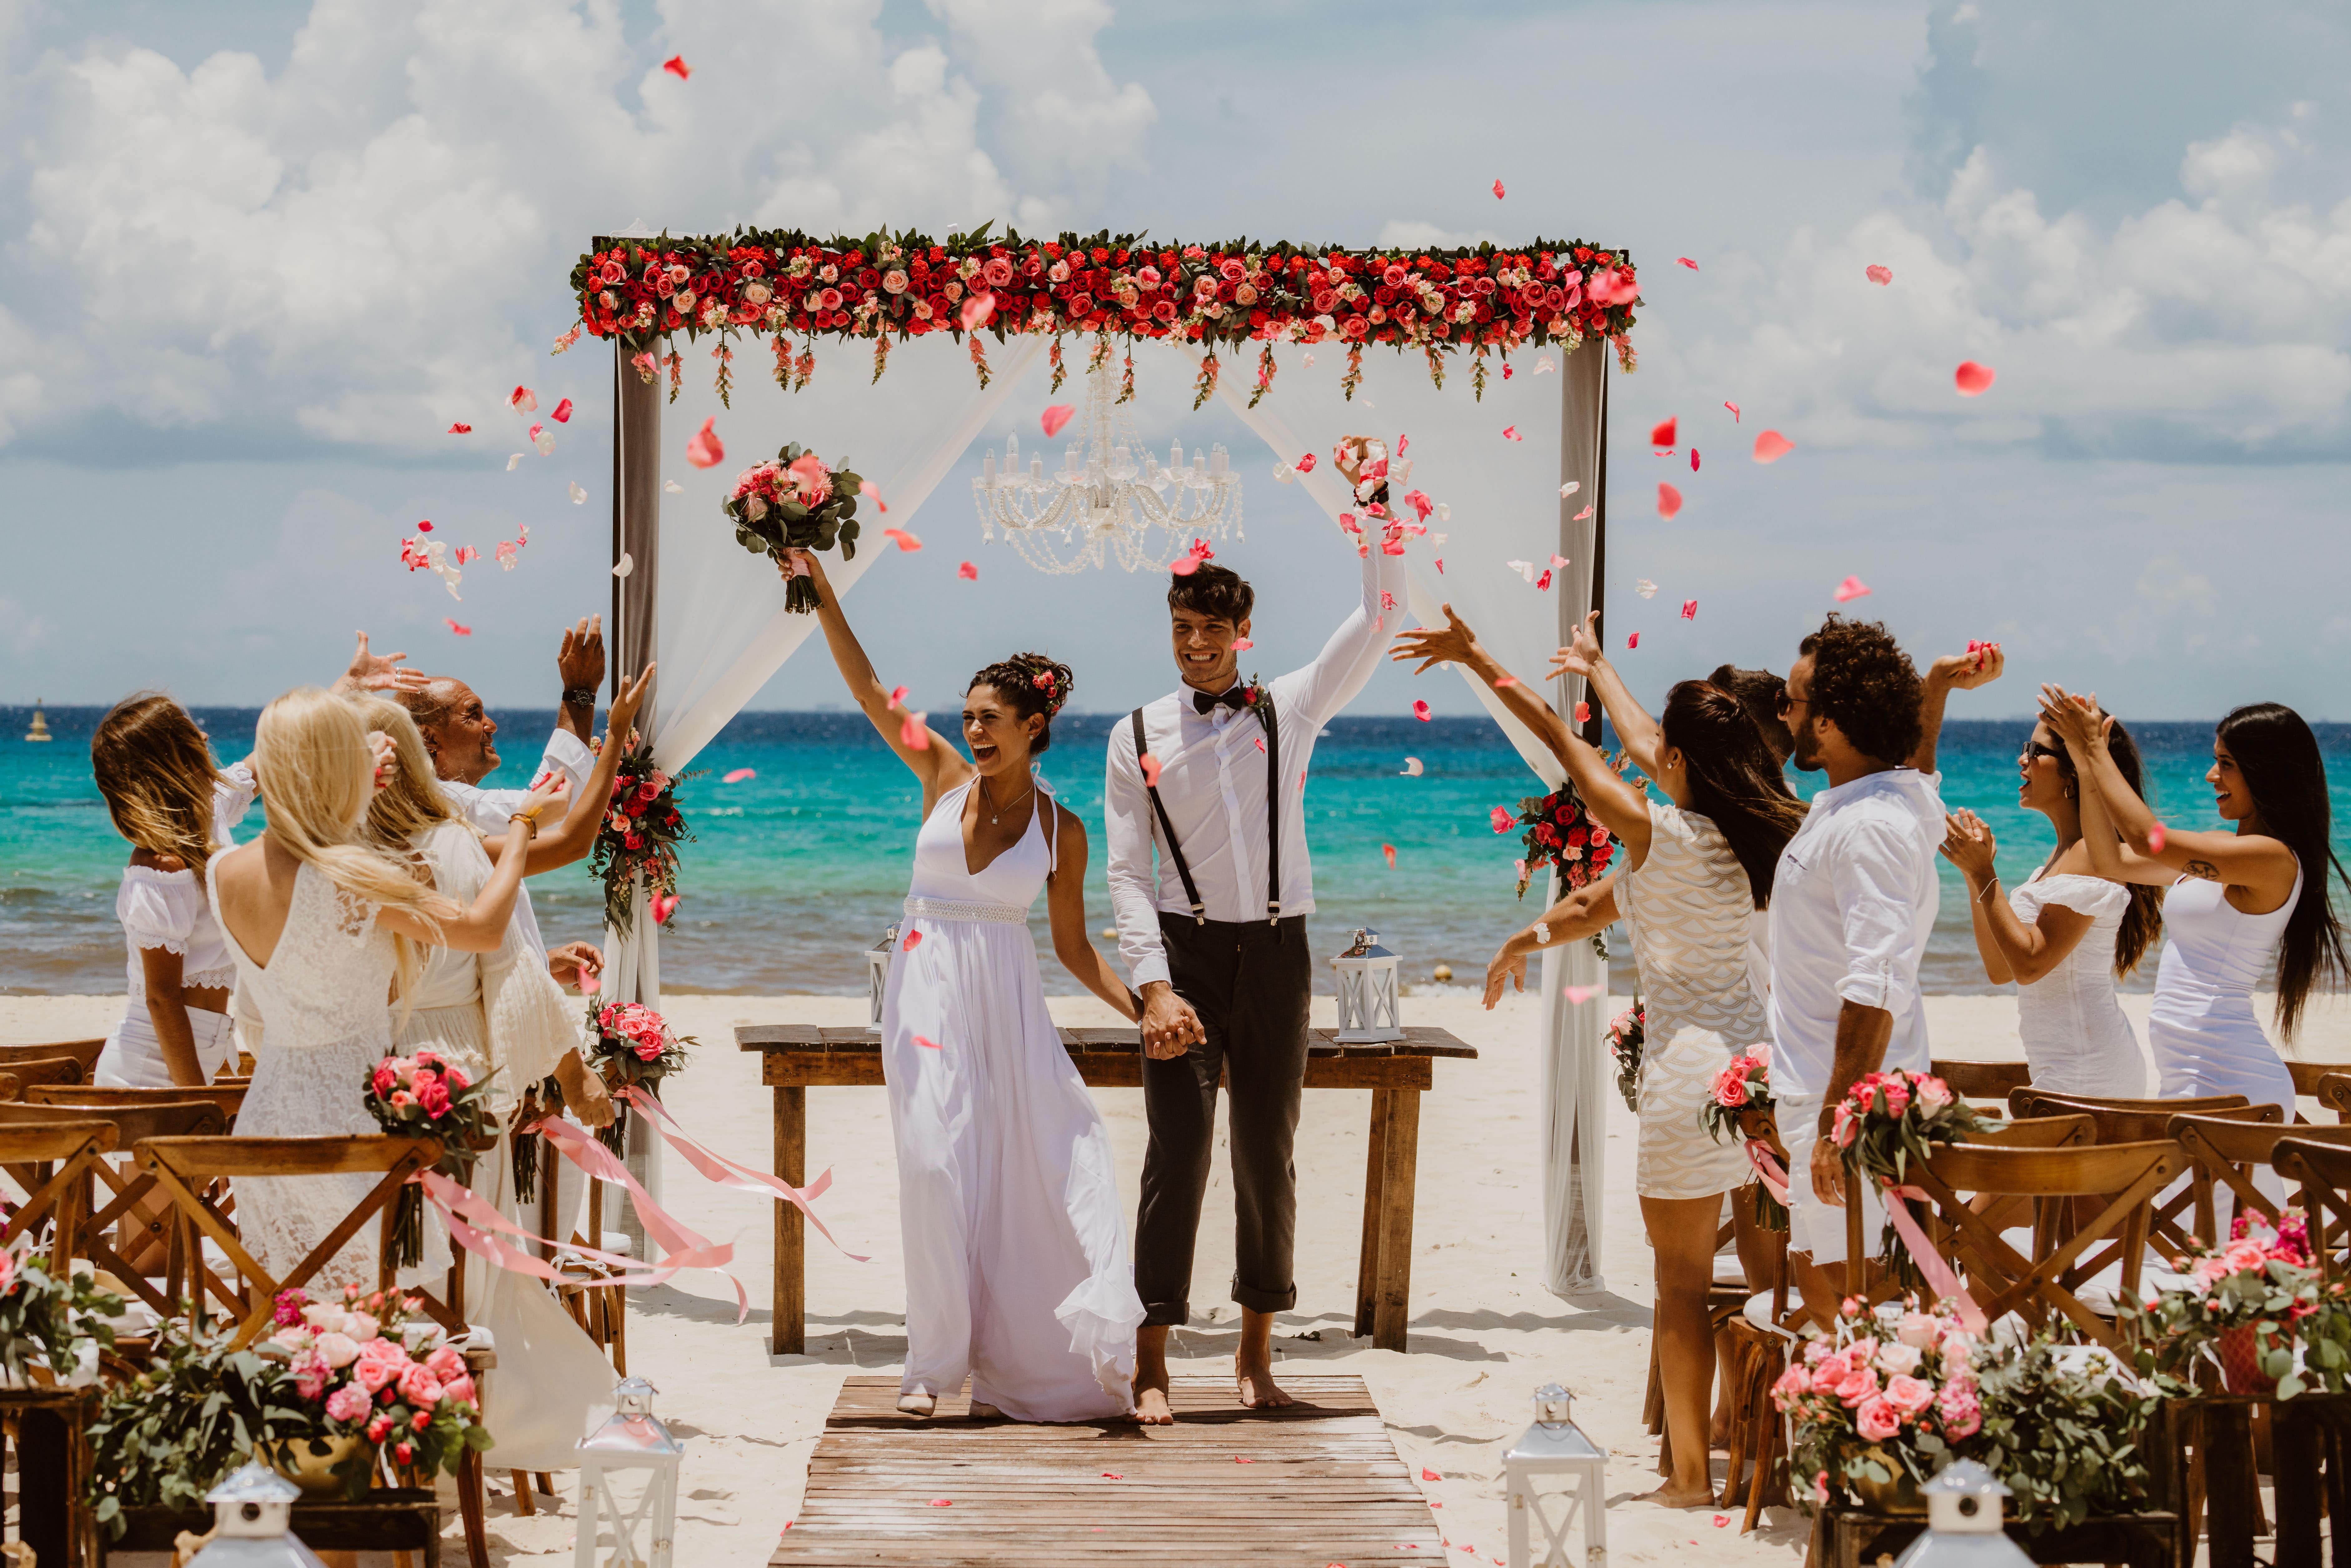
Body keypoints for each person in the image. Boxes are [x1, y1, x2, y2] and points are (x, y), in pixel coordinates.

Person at [1397, 604, 1803, 1506]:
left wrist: (1475, 653)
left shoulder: (1655, 830)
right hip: (1757, 1075)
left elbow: (1558, 738)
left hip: (1683, 1080)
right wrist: (1596, 665)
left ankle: (1692, 1479)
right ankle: (1765, 1456)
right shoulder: (1756, 831)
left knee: (1679, 1289)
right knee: (1770, 1281)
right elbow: (1596, 894)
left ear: (1679, 762)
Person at [789, 546, 1145, 1423]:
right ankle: (931, 1360)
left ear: (1033, 727)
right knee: (932, 1162)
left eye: (992, 719)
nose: (975, 732)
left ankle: (1004, 1353)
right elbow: (871, 690)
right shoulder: (943, 778)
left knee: (1030, 1164)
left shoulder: (1063, 831)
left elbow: (1073, 947)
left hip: (1007, 998)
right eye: (969, 717)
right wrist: (824, 593)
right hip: (923, 985)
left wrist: (1148, 1009)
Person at [1103, 435, 1409, 1421]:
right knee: (1177, 1150)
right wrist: (1152, 983)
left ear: (1244, 629)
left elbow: (1380, 614)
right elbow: (1125, 869)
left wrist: (1374, 508)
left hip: (1280, 951)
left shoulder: (1292, 707)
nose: (1195, 643)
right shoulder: (1138, 732)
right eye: (1182, 626)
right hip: (1185, 957)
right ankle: (1152, 1354)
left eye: (1211, 628)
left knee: (1264, 1153)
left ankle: (1254, 1354)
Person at [355, 689, 642, 1474]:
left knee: (396, 1255)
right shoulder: (453, 845)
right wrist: (611, 732)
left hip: (364, 1072)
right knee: (472, 1255)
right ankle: (463, 1417)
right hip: (452, 1073)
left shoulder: (331, 853)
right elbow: (504, 957)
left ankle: (395, 1408)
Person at [208, 687, 567, 1292]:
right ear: (340, 767)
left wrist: (350, 785)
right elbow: (481, 928)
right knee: (375, 1305)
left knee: (292, 1307)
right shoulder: (354, 879)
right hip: (356, 1122)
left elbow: (305, 855)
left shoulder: (223, 869)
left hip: (267, 1115)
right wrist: (525, 825)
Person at [1775, 619, 2001, 1320]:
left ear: (1834, 723)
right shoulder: (1887, 799)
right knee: (1834, 1290)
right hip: (1831, 1091)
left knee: (1858, 1305)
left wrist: (1833, 1122)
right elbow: (1919, 767)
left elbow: (1876, 981)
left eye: (1794, 704)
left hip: (1846, 1104)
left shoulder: (1871, 823)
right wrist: (1935, 687)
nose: (1785, 716)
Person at [88, 636, 428, 1088]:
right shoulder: (159, 869)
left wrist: (351, 685)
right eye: (191, 732)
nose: (205, 736)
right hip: (152, 1067)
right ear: (170, 757)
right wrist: (193, 1099)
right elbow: (162, 999)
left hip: (194, 1056)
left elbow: (278, 755)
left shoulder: (206, 813)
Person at [2042, 691, 2348, 1111]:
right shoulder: (2222, 849)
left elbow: (2148, 839)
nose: (2210, 776)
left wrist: (2098, 750)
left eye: (2226, 764)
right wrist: (2082, 759)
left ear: (2266, 774)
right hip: (2187, 1071)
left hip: (2232, 1077)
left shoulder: (2272, 860)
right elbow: (2108, 858)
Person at [1939, 710, 2163, 1095]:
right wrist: (1974, 872)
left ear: (2073, 775)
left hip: (2088, 1068)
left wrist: (1983, 876)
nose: (2021, 759)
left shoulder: (2088, 855)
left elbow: (2029, 965)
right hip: (2065, 1062)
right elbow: (2000, 969)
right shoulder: (2060, 858)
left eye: (2034, 750)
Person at [396, 614, 611, 988]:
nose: (491, 724)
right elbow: (556, 803)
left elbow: (459, 957)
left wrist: (542, 962)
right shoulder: (442, 802)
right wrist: (582, 693)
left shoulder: (435, 803)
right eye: (473, 714)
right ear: (430, 738)